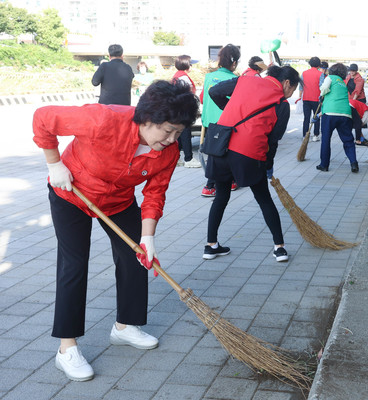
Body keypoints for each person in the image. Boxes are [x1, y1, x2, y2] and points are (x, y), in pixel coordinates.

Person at [32, 80, 199, 382]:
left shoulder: (168, 151)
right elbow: (44, 118)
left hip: (117, 200)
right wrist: (54, 163)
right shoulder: (103, 120)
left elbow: (155, 193)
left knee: (136, 255)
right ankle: (66, 349)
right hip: (71, 191)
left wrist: (147, 237)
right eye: (167, 130)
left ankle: (125, 326)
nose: (172, 139)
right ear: (147, 118)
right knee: (74, 264)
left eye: (179, 132)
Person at [203, 65, 300, 262]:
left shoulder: (244, 80)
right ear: (287, 83)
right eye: (292, 90)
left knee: (221, 197)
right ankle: (279, 248)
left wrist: (230, 108)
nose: (289, 95)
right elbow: (273, 140)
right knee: (264, 199)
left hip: (220, 147)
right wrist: (268, 166)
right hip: (248, 153)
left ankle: (211, 245)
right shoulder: (281, 104)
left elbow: (214, 91)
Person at [200, 44, 241, 197]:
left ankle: (210, 186)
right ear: (235, 63)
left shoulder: (209, 77)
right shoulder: (235, 79)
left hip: (209, 120)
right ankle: (226, 182)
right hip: (227, 122)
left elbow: (203, 98)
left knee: (213, 152)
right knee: (225, 152)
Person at [317, 63, 359, 173]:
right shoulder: (342, 82)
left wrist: (322, 94)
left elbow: (325, 88)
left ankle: (324, 165)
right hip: (345, 113)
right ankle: (354, 163)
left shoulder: (329, 78)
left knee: (326, 139)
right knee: (348, 140)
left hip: (330, 113)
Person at [172, 55, 202, 168]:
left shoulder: (177, 76)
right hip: (184, 109)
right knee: (185, 134)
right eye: (191, 63)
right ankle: (188, 159)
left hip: (178, 109)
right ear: (186, 64)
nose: (192, 65)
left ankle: (177, 157)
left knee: (179, 134)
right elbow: (188, 95)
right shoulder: (184, 78)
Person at [298, 56, 322, 142]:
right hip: (316, 99)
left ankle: (305, 135)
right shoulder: (320, 74)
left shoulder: (304, 73)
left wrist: (299, 97)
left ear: (310, 64)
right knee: (316, 118)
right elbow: (321, 87)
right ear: (319, 65)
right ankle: (316, 135)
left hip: (306, 98)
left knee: (306, 118)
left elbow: (301, 87)